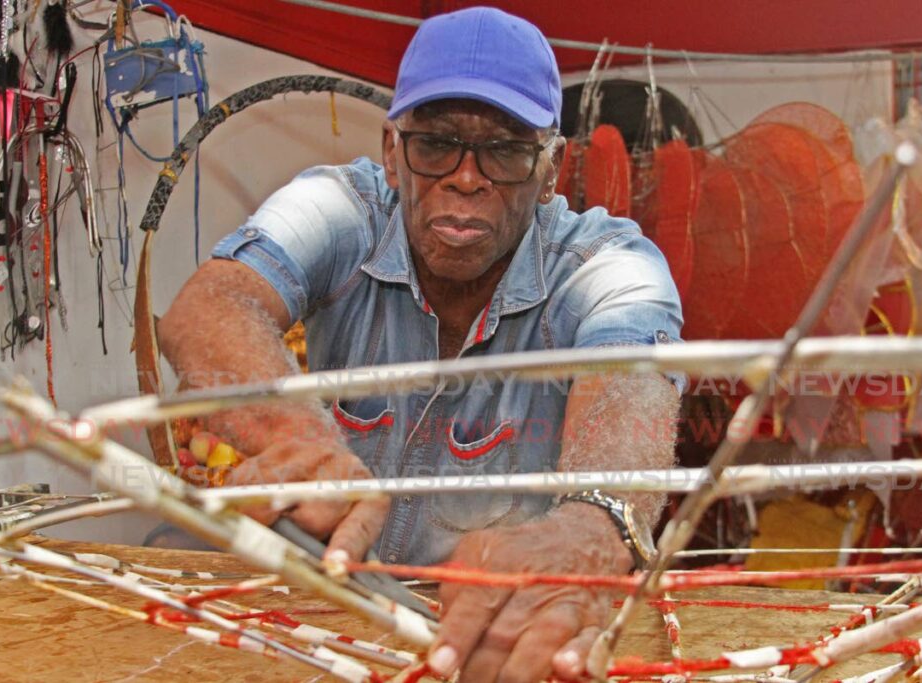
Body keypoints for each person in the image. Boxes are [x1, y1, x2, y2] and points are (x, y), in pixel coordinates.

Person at [158, 7, 683, 682]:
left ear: (551, 170)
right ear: (390, 151)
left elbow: (633, 379)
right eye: (434, 144)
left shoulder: (606, 263)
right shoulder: (342, 206)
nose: (466, 177)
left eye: (506, 150)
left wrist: (593, 528)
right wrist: (306, 442)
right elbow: (209, 306)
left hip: (498, 645)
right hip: (330, 633)